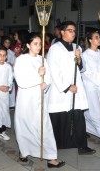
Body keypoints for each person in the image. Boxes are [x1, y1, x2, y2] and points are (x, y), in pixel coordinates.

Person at [14, 33, 65, 168]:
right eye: (35, 43)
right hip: (26, 100)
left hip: (40, 98)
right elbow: (21, 81)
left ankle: (51, 158)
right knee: (26, 126)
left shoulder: (42, 59)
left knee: (44, 126)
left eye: (40, 43)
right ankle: (24, 152)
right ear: (28, 45)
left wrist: (45, 83)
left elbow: (48, 76)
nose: (39, 46)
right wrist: (38, 76)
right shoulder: (21, 60)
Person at [47, 21, 96, 154]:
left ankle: (82, 146)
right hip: (61, 90)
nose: (73, 33)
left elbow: (82, 67)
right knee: (61, 118)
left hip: (76, 89)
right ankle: (58, 145)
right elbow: (53, 70)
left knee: (79, 117)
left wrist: (79, 58)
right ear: (62, 32)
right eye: (70, 30)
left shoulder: (76, 47)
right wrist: (67, 87)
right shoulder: (55, 48)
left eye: (74, 31)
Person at [1, 37, 16, 108]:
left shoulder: (11, 52)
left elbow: (14, 62)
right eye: (6, 42)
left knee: (10, 87)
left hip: (10, 71)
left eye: (8, 43)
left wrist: (11, 64)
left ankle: (12, 104)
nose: (7, 44)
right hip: (3, 71)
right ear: (3, 43)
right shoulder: (0, 51)